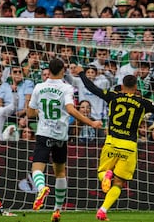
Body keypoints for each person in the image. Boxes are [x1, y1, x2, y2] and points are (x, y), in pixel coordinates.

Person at [77, 68, 154, 221]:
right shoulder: (142, 102)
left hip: (111, 142)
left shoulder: (113, 96)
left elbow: (91, 88)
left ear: (122, 85)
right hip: (129, 146)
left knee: (102, 171)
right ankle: (103, 210)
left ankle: (106, 176)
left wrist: (81, 73)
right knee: (119, 183)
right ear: (135, 87)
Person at [27, 59, 102, 222]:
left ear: (49, 70)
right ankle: (57, 210)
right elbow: (70, 109)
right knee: (60, 172)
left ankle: (41, 188)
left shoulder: (39, 87)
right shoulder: (67, 88)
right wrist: (91, 122)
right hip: (60, 135)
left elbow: (30, 113)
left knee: (37, 168)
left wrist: (41, 112)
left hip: (44, 133)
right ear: (62, 71)